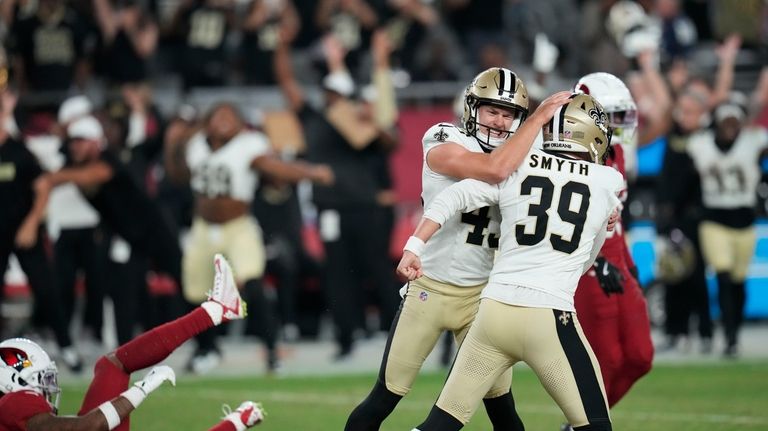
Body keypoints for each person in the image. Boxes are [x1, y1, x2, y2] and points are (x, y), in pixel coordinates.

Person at [345, 67, 573, 431]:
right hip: (430, 288)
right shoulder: (444, 138)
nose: (500, 122)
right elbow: (493, 169)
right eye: (491, 111)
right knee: (384, 398)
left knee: (503, 409)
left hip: (482, 299)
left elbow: (562, 195)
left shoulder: (522, 156)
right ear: (471, 109)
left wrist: (602, 216)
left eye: (509, 114)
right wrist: (539, 119)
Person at [400, 94, 623, 431]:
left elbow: (454, 195)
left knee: (440, 423)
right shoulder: (608, 182)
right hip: (549, 314)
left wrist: (415, 244)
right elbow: (587, 257)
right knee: (595, 425)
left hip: (493, 312)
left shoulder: (519, 165)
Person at [0, 254, 265, 431]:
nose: (48, 389)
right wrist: (142, 389)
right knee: (112, 366)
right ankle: (217, 310)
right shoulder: (12, 404)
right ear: (14, 379)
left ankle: (217, 310)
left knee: (112, 365)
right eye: (39, 379)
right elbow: (88, 427)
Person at [164, 102, 334, 373]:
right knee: (195, 291)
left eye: (230, 116)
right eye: (218, 115)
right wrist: (172, 145)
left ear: (240, 123)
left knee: (253, 283)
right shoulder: (196, 144)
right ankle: (207, 349)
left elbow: (275, 167)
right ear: (207, 120)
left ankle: (271, 350)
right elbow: (178, 176)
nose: (223, 120)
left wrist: (310, 173)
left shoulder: (248, 144)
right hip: (203, 228)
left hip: (238, 226)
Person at [565, 73, 654, 422]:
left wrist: (628, 263)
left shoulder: (616, 151)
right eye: (612, 116)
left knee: (640, 356)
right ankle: (586, 424)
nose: (620, 125)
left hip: (618, 258)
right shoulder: (568, 156)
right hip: (587, 265)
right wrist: (594, 261)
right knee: (608, 361)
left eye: (622, 116)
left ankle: (579, 423)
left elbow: (617, 219)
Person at [0, 87, 82, 371]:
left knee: (46, 290)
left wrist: (32, 223)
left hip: (24, 232)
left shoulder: (18, 152)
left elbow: (43, 187)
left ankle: (67, 347)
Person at [686, 94, 768, 357]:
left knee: (738, 283)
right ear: (717, 125)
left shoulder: (752, 142)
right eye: (726, 123)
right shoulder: (701, 144)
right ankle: (730, 338)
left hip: (744, 219)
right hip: (714, 219)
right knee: (722, 275)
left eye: (735, 123)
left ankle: (735, 331)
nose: (731, 127)